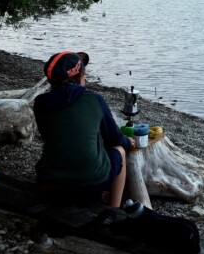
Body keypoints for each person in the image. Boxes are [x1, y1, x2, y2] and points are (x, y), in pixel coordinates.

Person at [33, 51, 135, 207]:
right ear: (80, 77)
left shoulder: (40, 103)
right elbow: (114, 138)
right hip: (91, 184)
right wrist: (128, 142)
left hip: (49, 183)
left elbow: (50, 135)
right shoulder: (93, 99)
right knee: (119, 150)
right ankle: (114, 210)